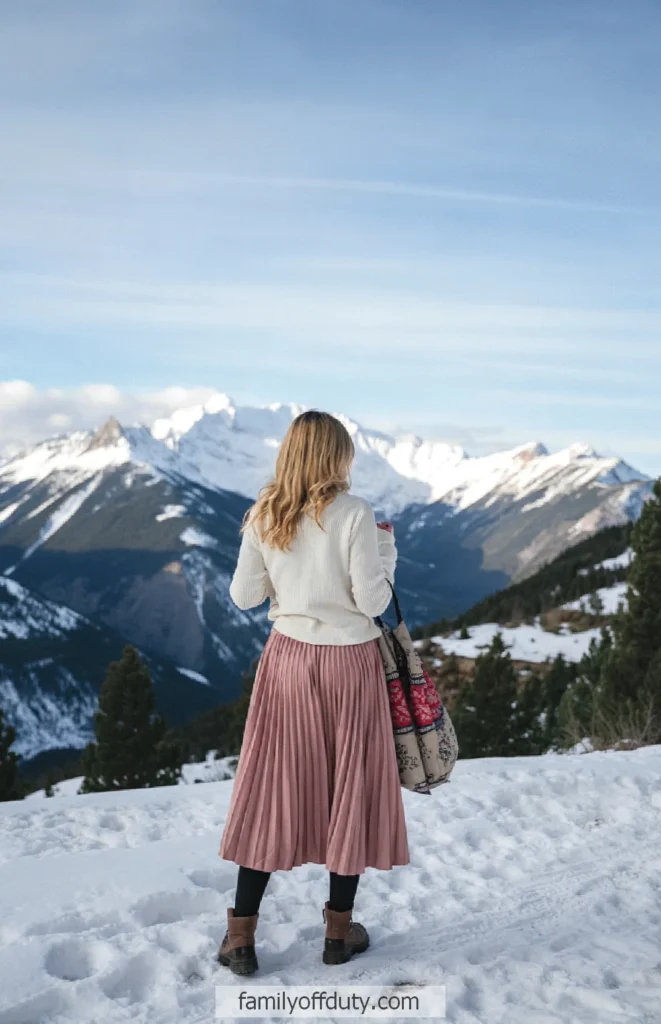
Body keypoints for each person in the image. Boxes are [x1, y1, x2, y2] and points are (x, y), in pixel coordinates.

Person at [217, 410, 409, 975]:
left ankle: (240, 938)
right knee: (349, 786)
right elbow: (373, 602)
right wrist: (386, 553)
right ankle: (337, 933)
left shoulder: (264, 513)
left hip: (287, 662)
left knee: (271, 788)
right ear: (335, 457)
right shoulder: (355, 515)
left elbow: (245, 597)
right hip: (350, 663)